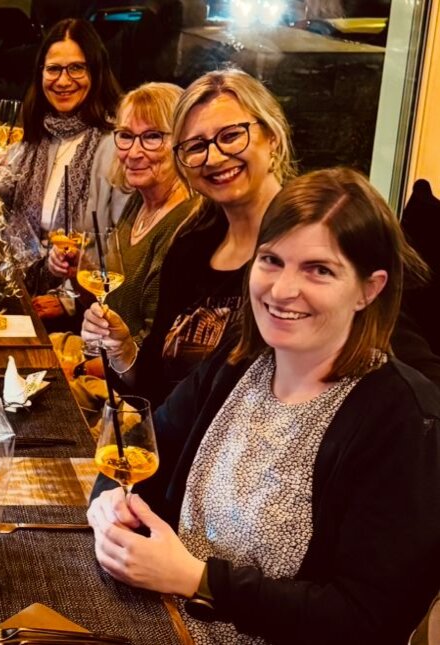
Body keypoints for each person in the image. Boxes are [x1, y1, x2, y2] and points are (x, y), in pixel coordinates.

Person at [86, 168, 440, 644]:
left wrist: (197, 579)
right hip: (160, 623)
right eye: (271, 260)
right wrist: (108, 505)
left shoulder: (403, 420)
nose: (281, 290)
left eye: (319, 269)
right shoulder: (235, 365)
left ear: (369, 289)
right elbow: (137, 451)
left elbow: (366, 618)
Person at [83, 68, 293, 405]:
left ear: (272, 137)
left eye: (231, 136)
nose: (214, 157)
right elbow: (152, 385)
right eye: (196, 146)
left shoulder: (306, 246)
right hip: (164, 434)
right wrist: (123, 349)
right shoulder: (191, 245)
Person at [3, 18, 125, 292]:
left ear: (96, 72)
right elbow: (3, 224)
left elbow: (124, 243)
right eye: (54, 69)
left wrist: (77, 275)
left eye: (76, 68)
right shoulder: (30, 142)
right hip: (23, 291)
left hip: (86, 300)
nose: (63, 80)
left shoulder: (118, 144)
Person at [101, 82, 196, 345]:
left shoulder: (186, 223)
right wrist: (77, 270)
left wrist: (83, 364)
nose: (133, 153)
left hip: (129, 369)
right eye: (126, 136)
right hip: (104, 352)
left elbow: (156, 343)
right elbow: (113, 301)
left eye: (152, 137)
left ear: (184, 142)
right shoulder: (139, 199)